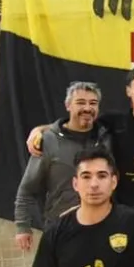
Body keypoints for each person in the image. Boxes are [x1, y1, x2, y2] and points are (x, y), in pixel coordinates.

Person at [15, 81, 112, 252]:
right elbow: (27, 189)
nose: (87, 108)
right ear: (67, 105)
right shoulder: (48, 141)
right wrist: (23, 227)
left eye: (93, 103)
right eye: (80, 102)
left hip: (103, 228)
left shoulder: (107, 138)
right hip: (61, 228)